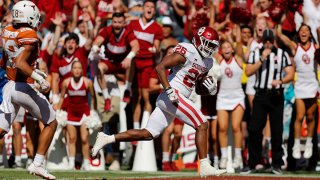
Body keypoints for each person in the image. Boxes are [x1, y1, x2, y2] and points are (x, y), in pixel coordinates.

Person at [92, 26, 227, 177]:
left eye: (212, 45)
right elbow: (160, 67)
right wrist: (169, 90)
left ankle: (107, 138)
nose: (209, 48)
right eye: (207, 43)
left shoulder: (208, 62)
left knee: (148, 133)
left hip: (176, 97)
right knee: (202, 124)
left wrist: (210, 90)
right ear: (198, 40)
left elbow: (197, 88)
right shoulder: (188, 51)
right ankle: (204, 165)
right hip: (173, 94)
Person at [0, 1, 57, 179]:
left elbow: (10, 60)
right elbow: (20, 63)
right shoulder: (29, 34)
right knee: (51, 121)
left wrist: (34, 70)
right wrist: (40, 78)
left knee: (1, 129)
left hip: (8, 85)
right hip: (21, 85)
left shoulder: (8, 29)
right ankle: (38, 163)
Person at [242, 29, 294, 175]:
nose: (268, 43)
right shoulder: (256, 53)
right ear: (263, 41)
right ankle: (253, 163)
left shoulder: (282, 54)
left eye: (270, 40)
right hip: (260, 95)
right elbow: (248, 72)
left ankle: (276, 164)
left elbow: (290, 73)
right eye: (266, 40)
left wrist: (281, 80)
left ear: (274, 40)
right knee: (254, 129)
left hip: (277, 95)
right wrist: (262, 59)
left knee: (277, 130)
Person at [277, 24, 319, 159]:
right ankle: (296, 144)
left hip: (313, 85)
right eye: (301, 30)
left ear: (310, 34)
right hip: (300, 85)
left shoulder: (316, 48)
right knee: (299, 116)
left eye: (307, 30)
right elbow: (280, 36)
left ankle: (309, 144)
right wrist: (279, 19)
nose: (304, 32)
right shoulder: (295, 47)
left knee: (311, 116)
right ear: (298, 34)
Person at [127, 0, 163, 130]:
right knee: (135, 97)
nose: (149, 9)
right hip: (133, 64)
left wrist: (156, 49)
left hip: (148, 64)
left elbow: (157, 46)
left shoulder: (157, 28)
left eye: (152, 7)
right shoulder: (132, 24)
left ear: (154, 10)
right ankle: (136, 130)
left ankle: (146, 129)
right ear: (142, 8)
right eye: (147, 6)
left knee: (146, 97)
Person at [92, 12, 139, 109]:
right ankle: (106, 98)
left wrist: (129, 57)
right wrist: (96, 47)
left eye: (119, 22)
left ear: (124, 23)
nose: (117, 25)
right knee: (99, 67)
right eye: (115, 22)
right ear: (111, 22)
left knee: (132, 62)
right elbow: (97, 41)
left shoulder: (128, 32)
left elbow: (136, 46)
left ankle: (127, 90)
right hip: (110, 62)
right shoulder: (107, 30)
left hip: (122, 63)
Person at [56, 61, 97, 170]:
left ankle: (86, 163)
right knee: (72, 138)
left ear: (82, 70)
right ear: (71, 70)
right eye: (75, 68)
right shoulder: (66, 82)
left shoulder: (88, 82)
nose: (77, 70)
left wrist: (93, 112)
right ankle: (71, 163)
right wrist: (59, 112)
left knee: (84, 139)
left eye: (79, 68)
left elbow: (93, 97)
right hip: (71, 113)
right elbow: (61, 97)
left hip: (84, 114)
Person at [215, 41, 245, 170]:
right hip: (222, 98)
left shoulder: (238, 58)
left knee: (235, 126)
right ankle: (224, 157)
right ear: (220, 50)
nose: (226, 49)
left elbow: (239, 44)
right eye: (224, 47)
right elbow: (211, 47)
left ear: (232, 50)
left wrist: (234, 33)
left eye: (229, 47)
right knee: (222, 128)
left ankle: (238, 157)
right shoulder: (219, 59)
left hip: (237, 97)